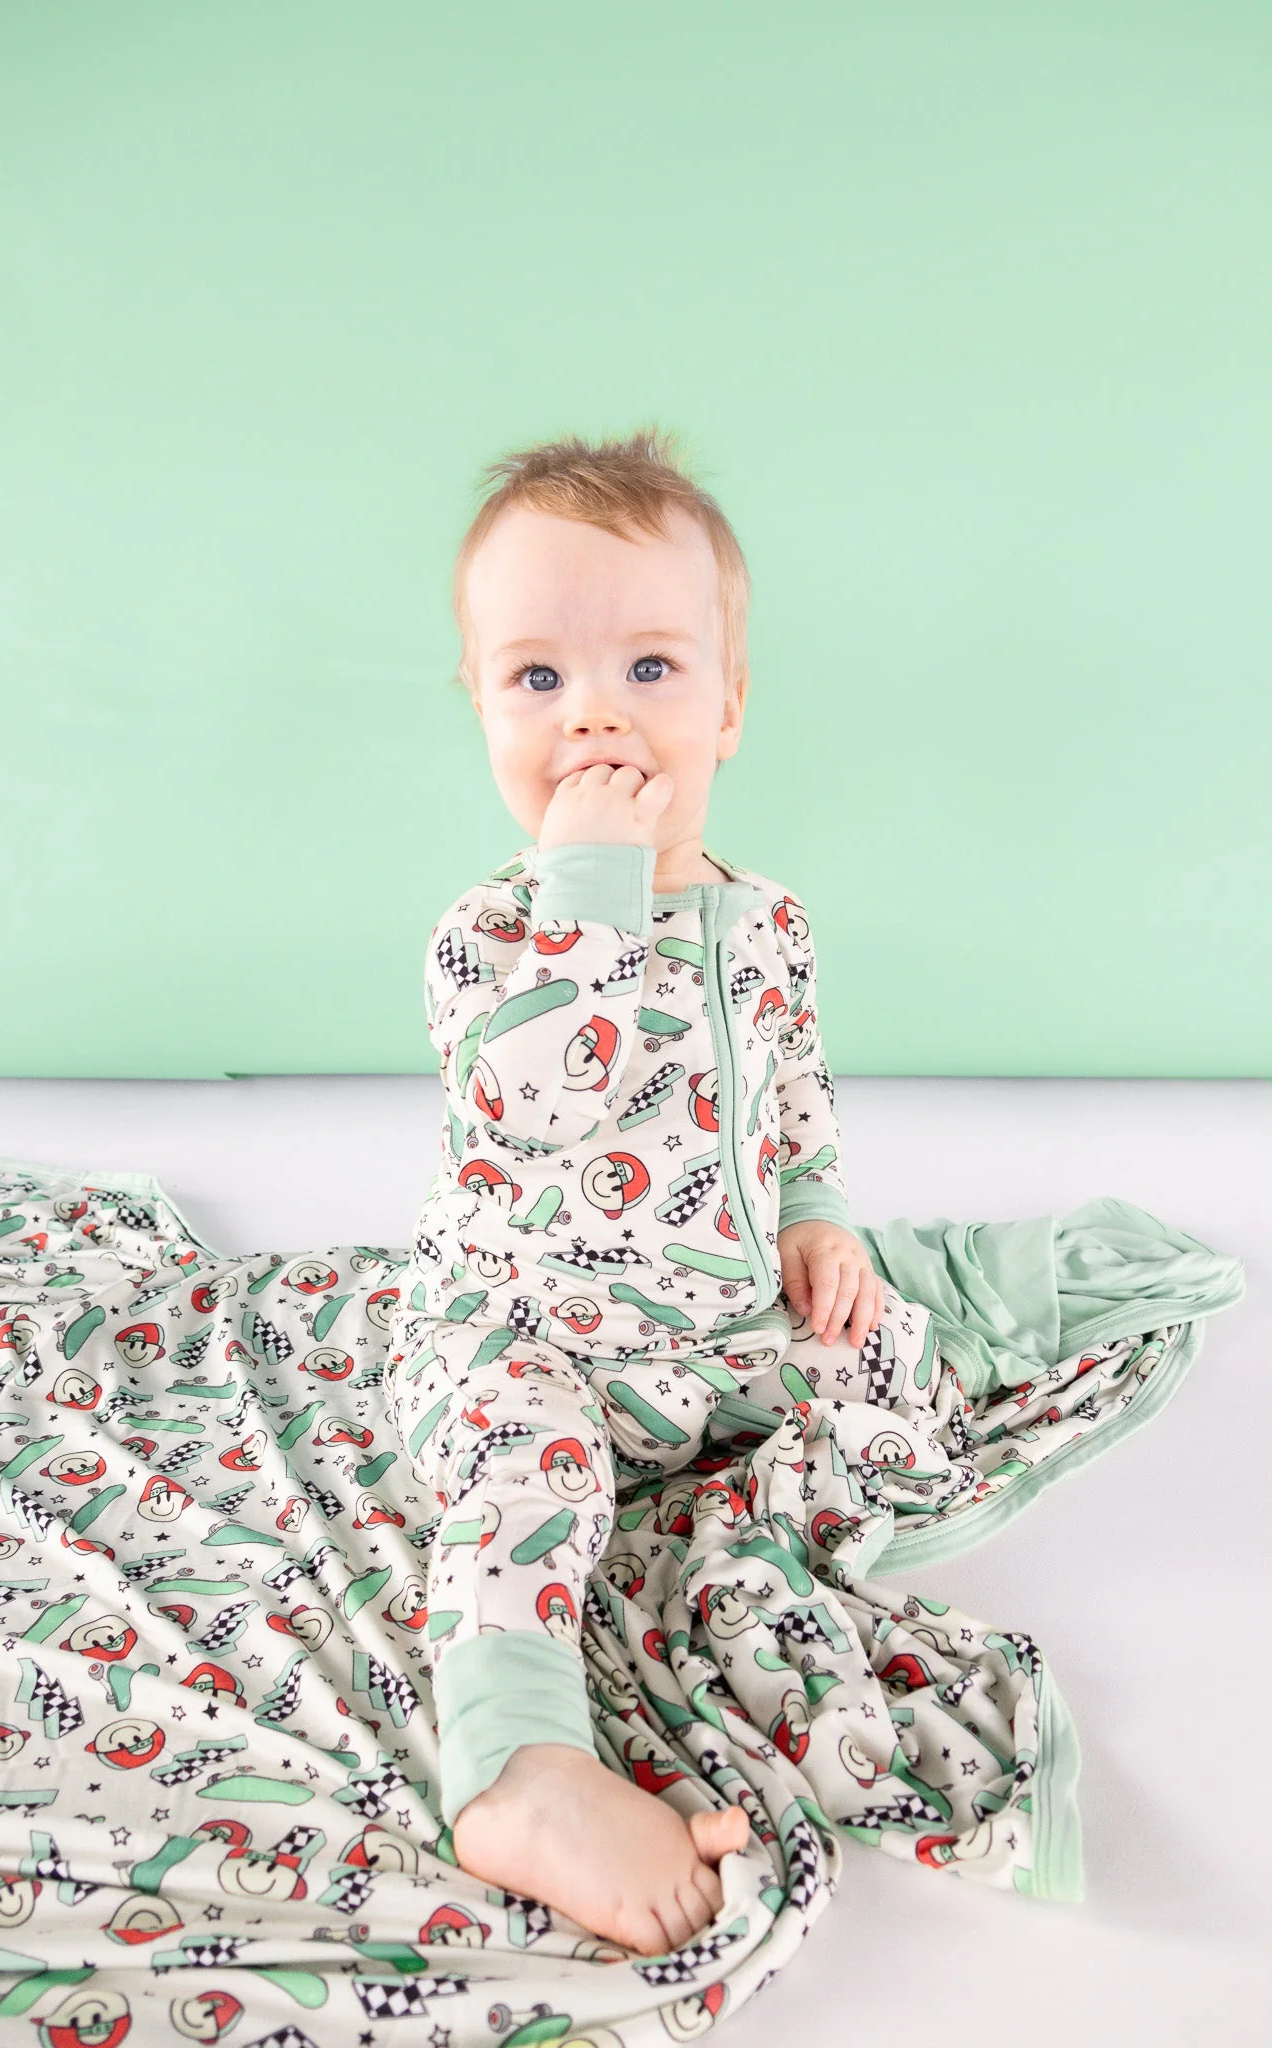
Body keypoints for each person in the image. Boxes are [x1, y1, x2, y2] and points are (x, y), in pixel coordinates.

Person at [385, 427, 893, 1957]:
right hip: (522, 1327)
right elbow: (534, 1102)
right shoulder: (489, 936)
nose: (593, 714)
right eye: (537, 677)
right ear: (482, 709)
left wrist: (815, 1216)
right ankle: (518, 1770)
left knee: (885, 1384)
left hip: (704, 1331)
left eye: (649, 668)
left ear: (726, 704)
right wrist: (590, 895)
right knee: (519, 1489)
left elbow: (793, 1096)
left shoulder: (768, 921)